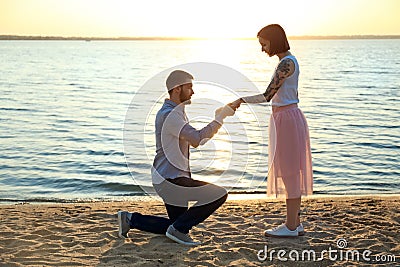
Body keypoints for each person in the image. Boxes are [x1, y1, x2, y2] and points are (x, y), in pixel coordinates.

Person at [118, 70, 236, 245]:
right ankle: (178, 230)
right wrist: (219, 118)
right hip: (171, 180)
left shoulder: (176, 111)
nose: (193, 92)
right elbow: (196, 139)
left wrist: (219, 117)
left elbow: (194, 137)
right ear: (177, 89)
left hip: (171, 179)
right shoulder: (169, 115)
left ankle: (130, 219)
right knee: (218, 194)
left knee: (175, 225)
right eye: (189, 87)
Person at [230, 24, 313, 237]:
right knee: (290, 170)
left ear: (274, 41)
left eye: (263, 44)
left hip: (286, 119)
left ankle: (291, 227)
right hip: (284, 117)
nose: (262, 49)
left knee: (289, 173)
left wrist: (241, 100)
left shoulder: (286, 63)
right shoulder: (286, 61)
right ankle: (296, 222)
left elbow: (267, 95)